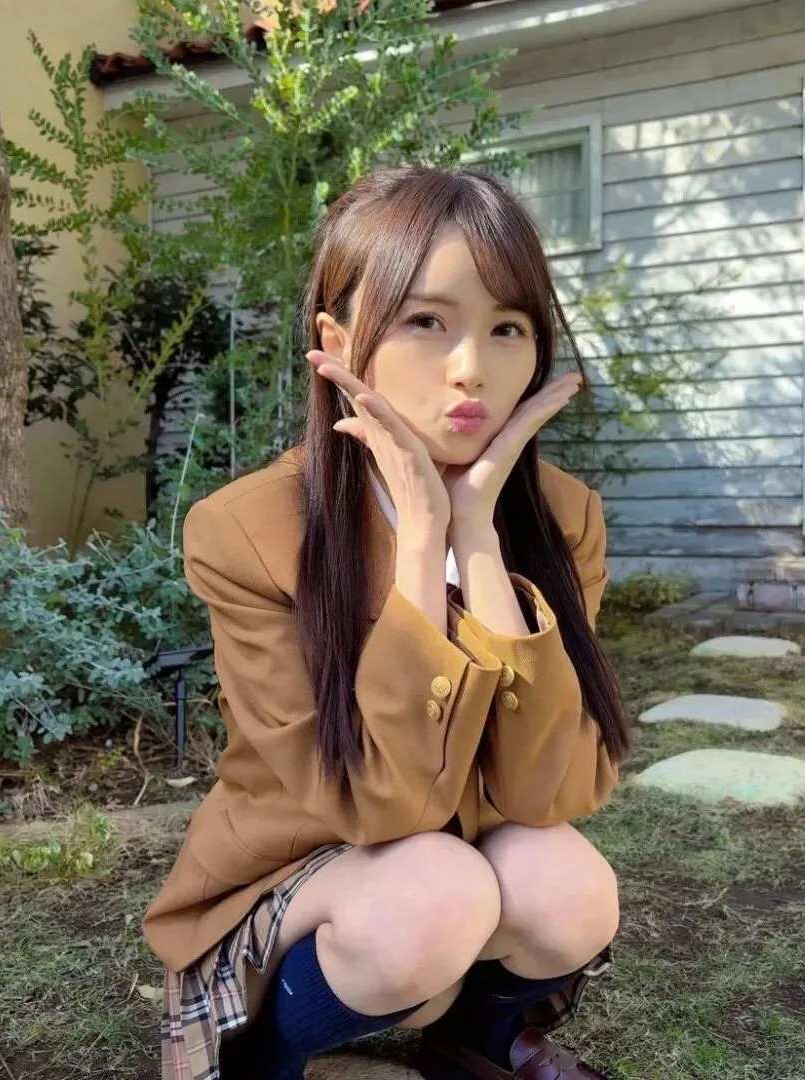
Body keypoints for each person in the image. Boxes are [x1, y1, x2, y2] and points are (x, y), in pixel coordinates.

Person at [143, 165, 630, 1080]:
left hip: (458, 857)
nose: (471, 368)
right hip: (305, 863)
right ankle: (260, 1058)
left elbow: (550, 793)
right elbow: (380, 807)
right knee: (433, 902)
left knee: (570, 890)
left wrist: (476, 538)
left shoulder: (565, 518)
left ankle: (476, 1044)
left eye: (508, 328)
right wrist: (419, 550)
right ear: (338, 343)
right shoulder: (248, 529)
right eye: (425, 321)